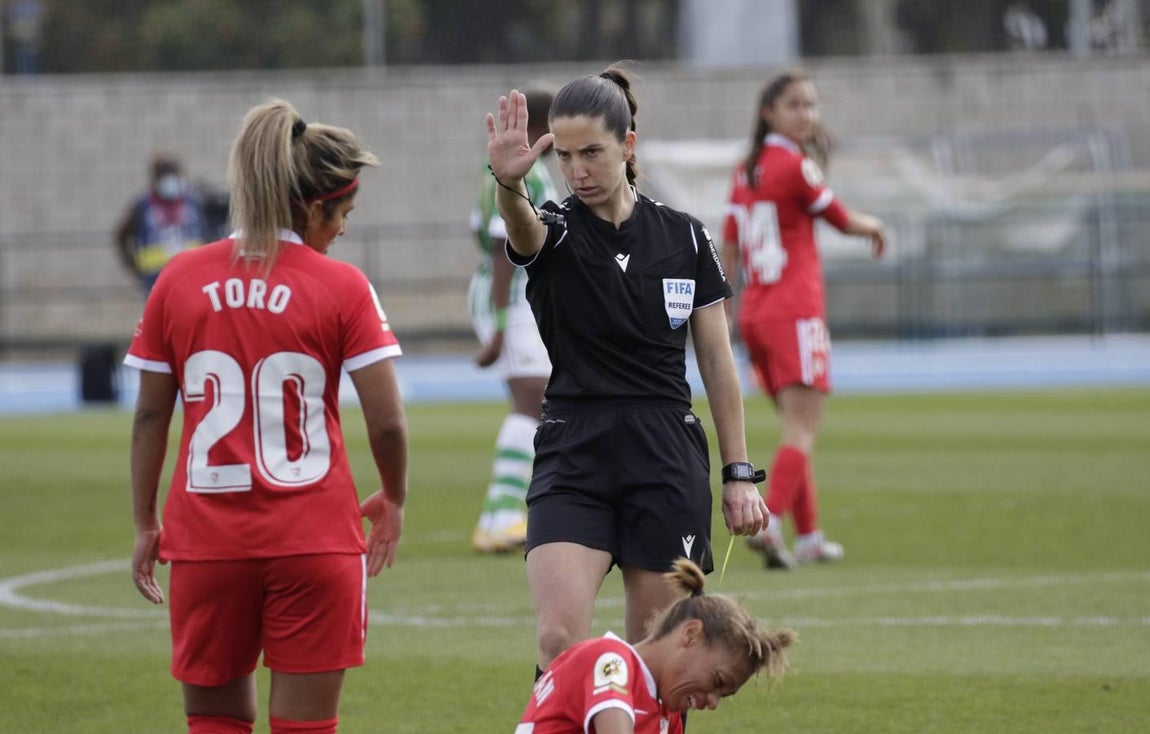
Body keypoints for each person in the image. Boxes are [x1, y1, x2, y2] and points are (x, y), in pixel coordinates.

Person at [125, 99, 408, 734]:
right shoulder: (342, 287)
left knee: (217, 724)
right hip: (314, 538)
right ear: (314, 208)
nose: (342, 231)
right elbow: (387, 422)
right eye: (343, 216)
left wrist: (146, 520)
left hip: (205, 544)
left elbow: (149, 416)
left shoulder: (177, 278)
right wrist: (393, 495)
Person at [485, 67, 771, 681]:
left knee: (656, 657)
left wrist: (739, 474)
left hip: (665, 452)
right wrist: (509, 185)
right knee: (560, 639)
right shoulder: (555, 230)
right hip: (574, 451)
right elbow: (522, 227)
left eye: (592, 152)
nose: (578, 169)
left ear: (628, 145)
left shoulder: (685, 237)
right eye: (563, 156)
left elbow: (718, 363)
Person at [721, 69, 885, 570]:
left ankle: (809, 536)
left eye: (811, 105)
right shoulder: (794, 165)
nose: (806, 114)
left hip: (756, 313)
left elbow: (728, 243)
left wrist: (725, 309)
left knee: (796, 426)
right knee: (802, 428)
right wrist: (874, 225)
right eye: (795, 104)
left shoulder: (746, 169)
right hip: (795, 311)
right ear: (769, 111)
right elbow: (838, 217)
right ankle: (770, 523)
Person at [516, 558, 795, 733]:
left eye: (722, 695)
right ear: (690, 634)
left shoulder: (667, 712)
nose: (712, 703)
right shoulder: (610, 661)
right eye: (717, 681)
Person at [468, 87, 556, 554]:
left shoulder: (502, 171)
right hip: (514, 301)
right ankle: (502, 516)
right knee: (533, 397)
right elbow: (504, 250)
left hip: (515, 299)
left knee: (535, 401)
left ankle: (498, 513)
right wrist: (501, 323)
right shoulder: (530, 173)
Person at [115, 154, 212, 294]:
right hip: (156, 278)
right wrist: (134, 267)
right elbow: (122, 235)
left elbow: (208, 233)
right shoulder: (142, 206)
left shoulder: (193, 202)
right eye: (165, 175)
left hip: (191, 275)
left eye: (173, 174)